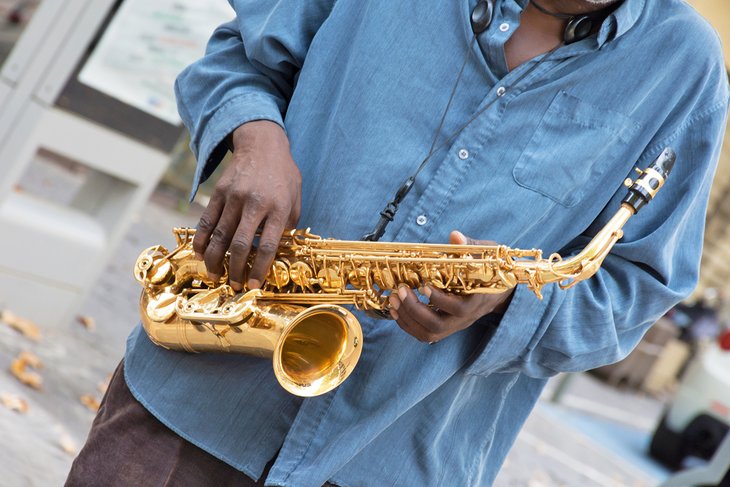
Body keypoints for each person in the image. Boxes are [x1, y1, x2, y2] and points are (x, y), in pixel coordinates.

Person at [67, 0, 729, 485]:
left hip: (398, 457)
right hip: (192, 411)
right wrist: (254, 137)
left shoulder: (687, 71)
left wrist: (507, 305)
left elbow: (636, 286)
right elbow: (237, 56)